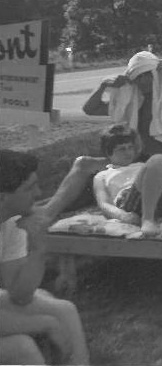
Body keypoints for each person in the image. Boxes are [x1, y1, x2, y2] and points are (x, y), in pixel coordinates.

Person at [41, 50, 162, 221]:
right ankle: (47, 212)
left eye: (148, 75)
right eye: (138, 77)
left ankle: (59, 203)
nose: (143, 81)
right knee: (83, 163)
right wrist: (104, 86)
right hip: (133, 160)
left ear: (157, 75)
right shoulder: (131, 103)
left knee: (157, 162)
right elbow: (90, 109)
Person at [0, 150, 89, 366]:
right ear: (2, 197)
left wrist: (37, 248)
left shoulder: (10, 222)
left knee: (65, 311)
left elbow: (20, 296)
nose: (38, 193)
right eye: (29, 188)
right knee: (22, 348)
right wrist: (44, 324)